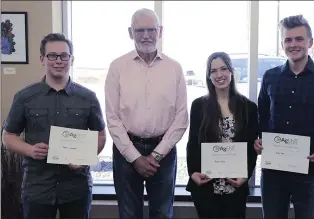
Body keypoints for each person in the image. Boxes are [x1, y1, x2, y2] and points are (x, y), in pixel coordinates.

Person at [2, 33, 106, 219]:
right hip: (37, 188)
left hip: (76, 188)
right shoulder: (25, 97)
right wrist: (30, 150)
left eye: (64, 56)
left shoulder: (88, 98)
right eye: (52, 56)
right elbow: (8, 136)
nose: (59, 61)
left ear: (71, 59)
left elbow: (100, 135)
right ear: (42, 59)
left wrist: (85, 158)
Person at [255, 15, 314, 219]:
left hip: (309, 171)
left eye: (299, 39)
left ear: (310, 43)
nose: (293, 44)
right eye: (288, 40)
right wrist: (258, 139)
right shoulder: (270, 77)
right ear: (282, 44)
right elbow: (261, 116)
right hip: (273, 173)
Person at [104, 8, 188, 219]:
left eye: (151, 29)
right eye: (140, 30)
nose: (146, 35)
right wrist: (135, 158)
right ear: (131, 33)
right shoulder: (117, 67)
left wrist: (156, 155)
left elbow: (181, 117)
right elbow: (112, 118)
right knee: (129, 214)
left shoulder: (174, 68)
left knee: (162, 213)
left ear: (160, 31)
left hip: (164, 152)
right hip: (126, 151)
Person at [186, 52, 259, 219]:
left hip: (236, 186)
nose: (219, 75)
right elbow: (192, 143)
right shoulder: (199, 106)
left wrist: (245, 174)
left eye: (223, 69)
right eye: (213, 71)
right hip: (206, 185)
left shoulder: (249, 108)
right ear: (208, 76)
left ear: (232, 71)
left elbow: (251, 148)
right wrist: (193, 172)